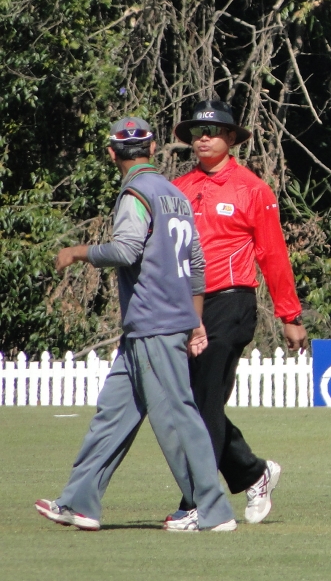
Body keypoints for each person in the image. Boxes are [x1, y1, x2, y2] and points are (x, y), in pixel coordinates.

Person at [36, 117, 236, 532]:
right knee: (112, 414)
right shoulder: (175, 194)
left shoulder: (136, 192)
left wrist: (76, 251)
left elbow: (125, 250)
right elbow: (197, 264)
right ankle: (80, 502)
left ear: (112, 154)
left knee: (178, 415)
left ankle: (211, 509)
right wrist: (195, 320)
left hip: (153, 320)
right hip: (163, 320)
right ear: (154, 147)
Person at [168, 99, 307, 527]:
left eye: (212, 131)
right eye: (196, 131)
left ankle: (198, 503)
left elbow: (273, 254)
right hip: (182, 306)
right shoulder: (178, 188)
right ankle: (253, 472)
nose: (203, 137)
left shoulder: (252, 189)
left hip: (232, 303)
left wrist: (290, 315)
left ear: (231, 139)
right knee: (188, 402)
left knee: (205, 400)